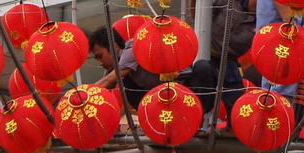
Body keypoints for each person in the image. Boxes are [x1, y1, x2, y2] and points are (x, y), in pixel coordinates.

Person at [88, 26, 217, 115]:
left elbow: (108, 80)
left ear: (114, 47)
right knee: (126, 85)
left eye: (100, 56)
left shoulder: (132, 49)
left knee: (203, 66)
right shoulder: (122, 69)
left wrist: (84, 97)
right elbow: (108, 83)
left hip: (187, 87)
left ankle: (197, 119)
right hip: (166, 98)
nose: (100, 63)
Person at [189, 0, 258, 125]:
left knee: (235, 95)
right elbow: (198, 18)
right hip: (206, 54)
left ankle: (234, 129)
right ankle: (194, 122)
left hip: (229, 61)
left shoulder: (265, 20)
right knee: (202, 70)